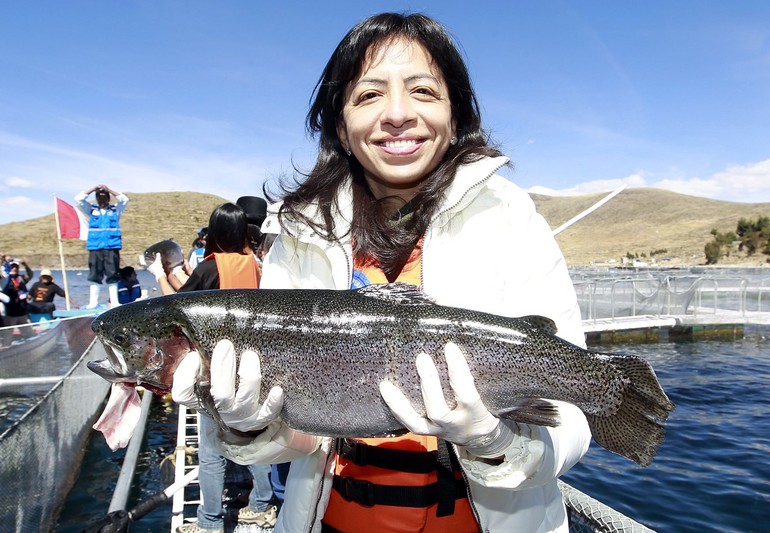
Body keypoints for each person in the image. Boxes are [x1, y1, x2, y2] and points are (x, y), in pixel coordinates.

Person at [173, 13, 590, 533]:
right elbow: (298, 439)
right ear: (341, 128)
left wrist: (499, 443)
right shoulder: (301, 236)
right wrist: (247, 426)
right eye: (369, 95)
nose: (397, 113)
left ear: (455, 115)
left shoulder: (512, 218)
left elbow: (573, 414)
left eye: (422, 91)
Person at [175, 202, 276, 533]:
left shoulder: (208, 268)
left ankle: (210, 520)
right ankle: (262, 504)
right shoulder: (257, 265)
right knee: (255, 442)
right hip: (253, 369)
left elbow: (178, 308)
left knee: (211, 452)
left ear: (215, 231)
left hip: (214, 372)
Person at [75, 184, 129, 308]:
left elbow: (125, 199)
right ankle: (93, 302)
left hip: (111, 246)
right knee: (95, 273)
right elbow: (78, 199)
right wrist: (93, 189)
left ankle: (115, 302)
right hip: (95, 247)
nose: (102, 199)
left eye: (104, 197)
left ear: (108, 198)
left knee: (113, 273)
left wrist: (109, 189)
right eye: (99, 197)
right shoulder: (92, 210)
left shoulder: (116, 210)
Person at [0, 260, 34, 334]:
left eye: (16, 267)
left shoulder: (21, 278)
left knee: (29, 333)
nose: (14, 269)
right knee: (8, 333)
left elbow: (30, 275)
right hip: (10, 312)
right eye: (12, 267)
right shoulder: (5, 279)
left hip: (22, 311)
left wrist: (25, 265)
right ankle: (6, 345)